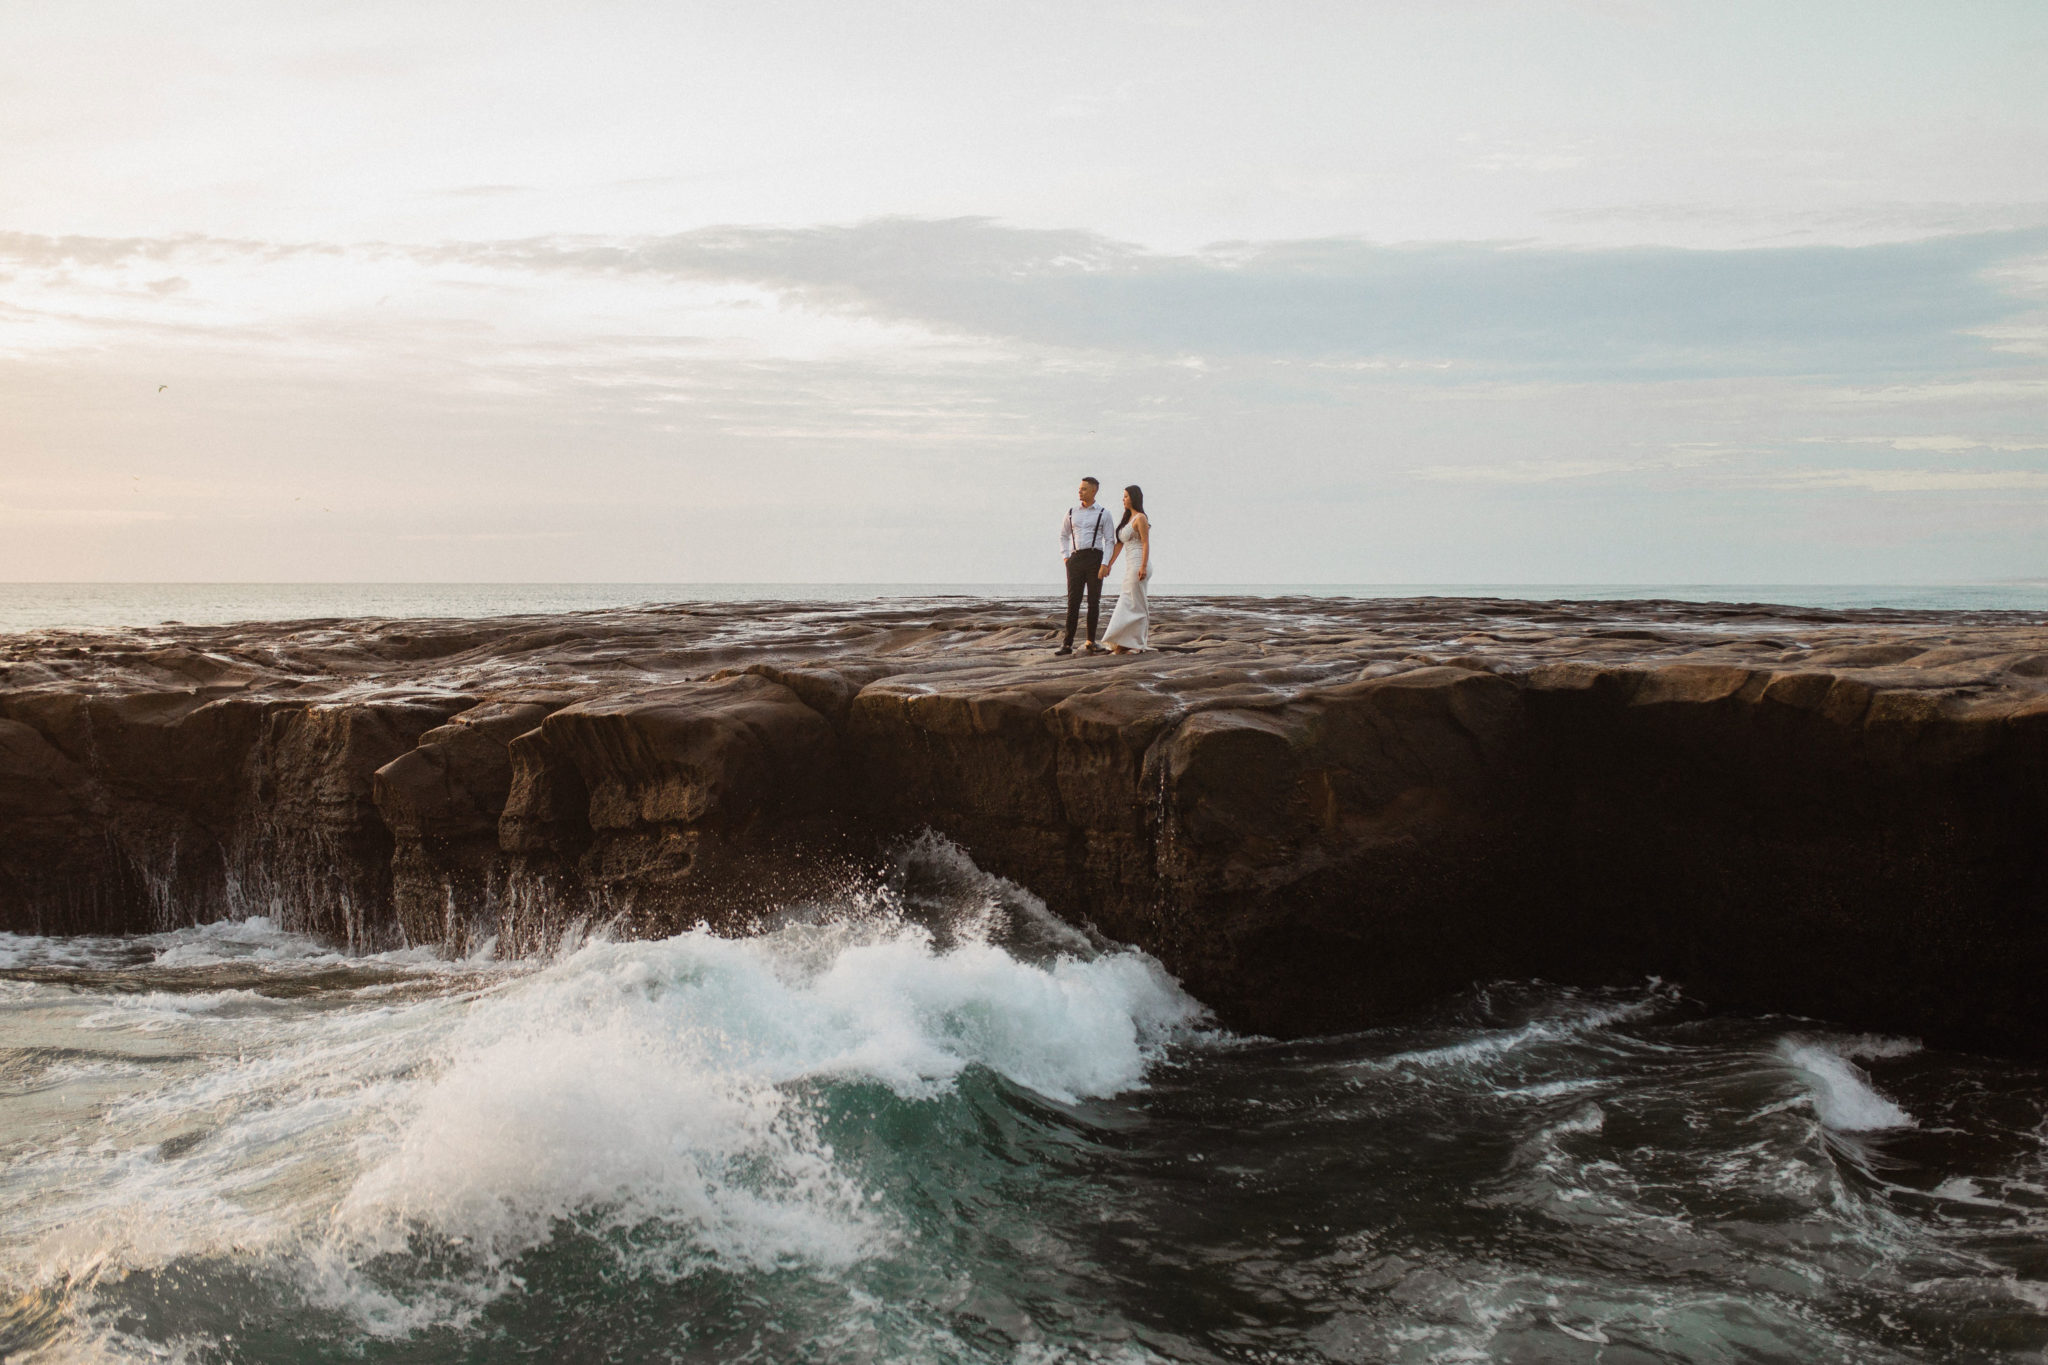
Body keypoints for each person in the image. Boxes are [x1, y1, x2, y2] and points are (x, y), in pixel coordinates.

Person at [1057, 476, 1116, 655]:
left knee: (1093, 601)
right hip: (1075, 559)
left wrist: (1105, 563)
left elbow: (1110, 540)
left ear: (1093, 491)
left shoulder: (1103, 513)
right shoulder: (1071, 512)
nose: (1079, 491)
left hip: (1095, 558)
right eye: (1079, 488)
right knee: (1073, 601)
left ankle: (1091, 641)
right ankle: (1067, 644)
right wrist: (1066, 557)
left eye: (1083, 489)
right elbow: (1063, 536)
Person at [1100, 485, 1152, 653]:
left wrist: (1143, 566)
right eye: (1123, 496)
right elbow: (1119, 545)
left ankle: (1134, 642)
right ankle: (1124, 641)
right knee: (1129, 601)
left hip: (1139, 563)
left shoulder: (1140, 518)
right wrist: (1108, 564)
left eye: (1126, 496)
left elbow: (1145, 543)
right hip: (1130, 563)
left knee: (1133, 602)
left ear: (1134, 498)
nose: (1123, 499)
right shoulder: (1127, 519)